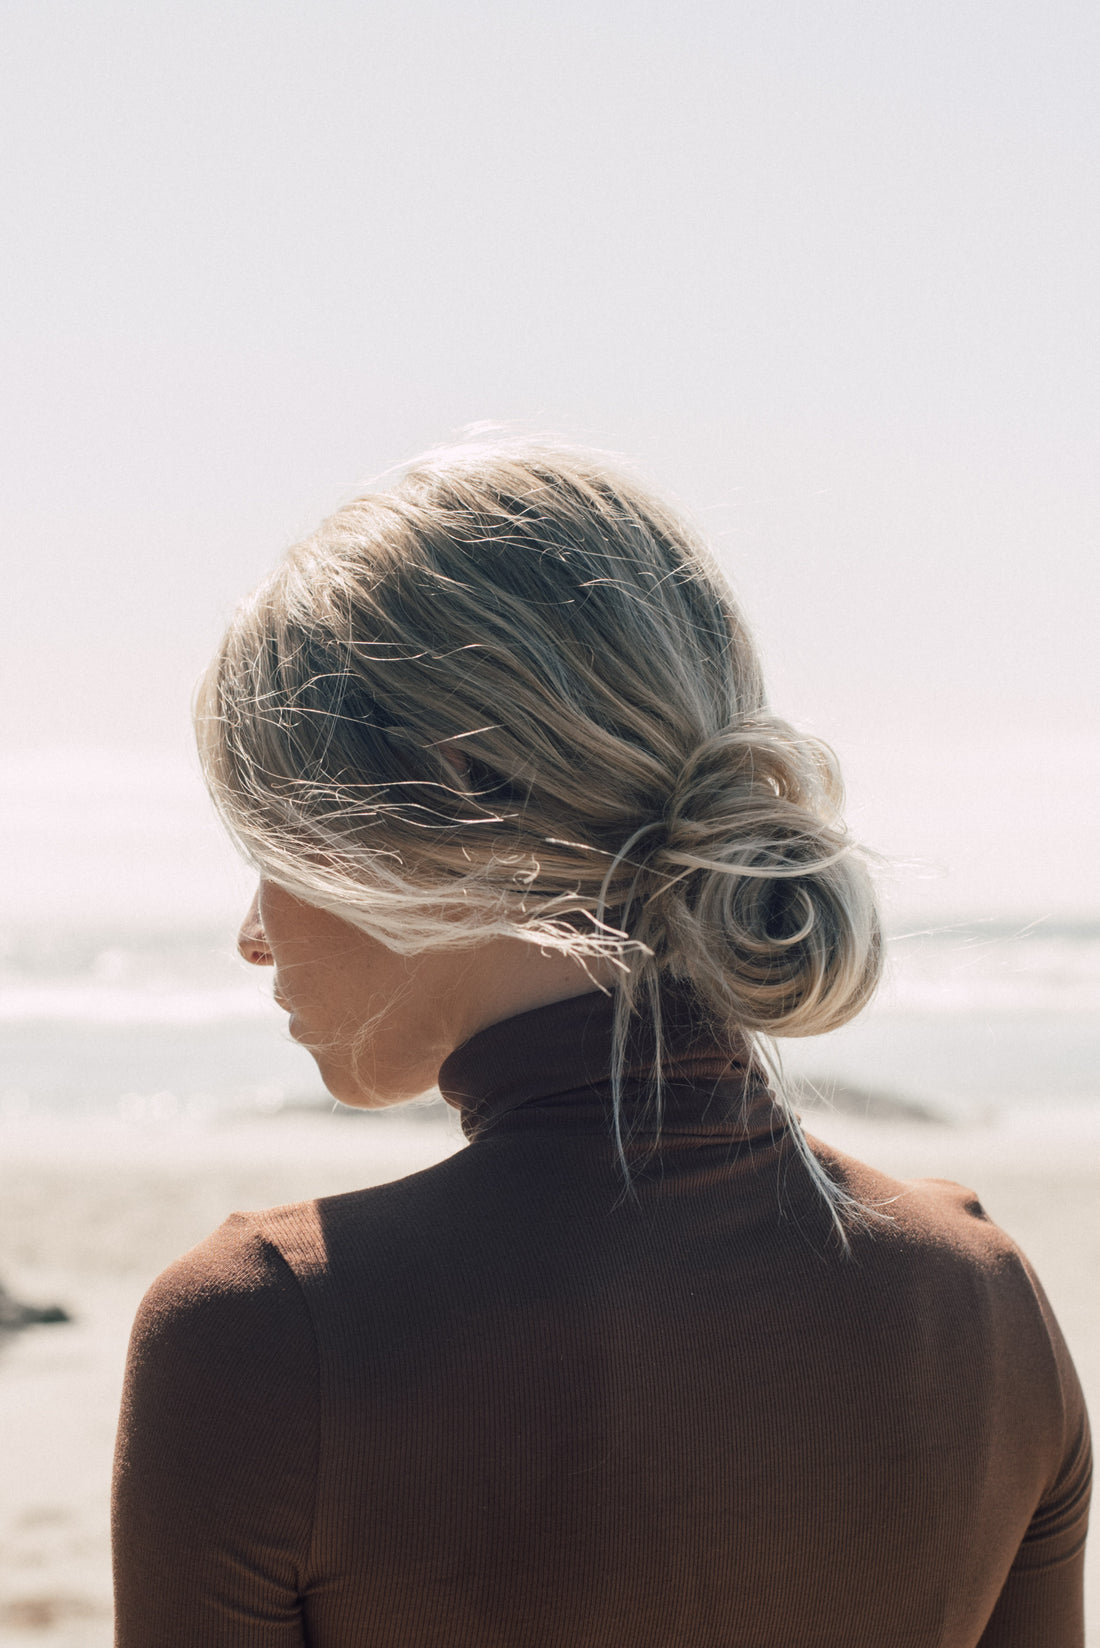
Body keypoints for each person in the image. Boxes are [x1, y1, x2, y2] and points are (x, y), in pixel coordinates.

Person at [112, 440, 1091, 1646]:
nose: (252, 933)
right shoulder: (981, 1304)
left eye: (277, 844)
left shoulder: (263, 1334)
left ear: (451, 809)